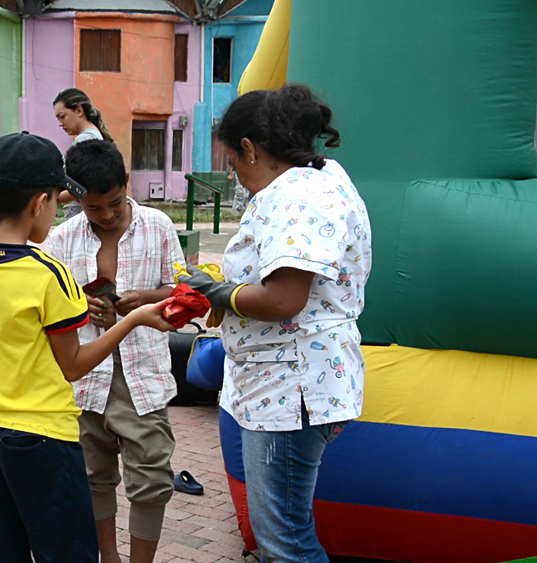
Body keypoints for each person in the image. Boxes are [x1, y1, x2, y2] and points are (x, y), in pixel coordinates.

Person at [0, 131, 176, 563]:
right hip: (44, 436)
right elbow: (74, 366)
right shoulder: (49, 271)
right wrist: (135, 318)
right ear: (40, 203)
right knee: (65, 552)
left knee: (2, 550)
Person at [179, 84, 372, 563]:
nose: (236, 176)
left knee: (284, 539)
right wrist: (215, 292)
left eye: (233, 161)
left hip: (290, 387)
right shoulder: (321, 180)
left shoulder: (296, 194)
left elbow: (284, 299)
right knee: (282, 529)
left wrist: (220, 292)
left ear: (250, 148)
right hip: (288, 380)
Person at [44, 140, 184, 563]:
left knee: (151, 478)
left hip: (143, 375)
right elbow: (47, 307)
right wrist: (79, 306)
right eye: (94, 209)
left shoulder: (158, 226)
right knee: (93, 476)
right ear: (76, 198)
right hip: (87, 379)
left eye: (115, 204)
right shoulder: (61, 239)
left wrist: (145, 299)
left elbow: (182, 293)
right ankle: (109, 556)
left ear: (127, 184)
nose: (106, 215)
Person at [53, 88, 114, 220]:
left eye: (62, 117)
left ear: (79, 111)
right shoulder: (92, 135)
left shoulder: (85, 140)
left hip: (81, 210)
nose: (60, 124)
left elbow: (84, 187)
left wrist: (54, 199)